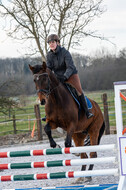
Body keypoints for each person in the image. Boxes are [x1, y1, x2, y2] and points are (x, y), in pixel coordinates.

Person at [43, 34, 93, 121]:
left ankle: (87, 112)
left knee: (78, 91)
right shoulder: (49, 55)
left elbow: (70, 67)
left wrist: (65, 76)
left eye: (53, 42)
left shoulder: (65, 53)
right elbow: (49, 68)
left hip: (71, 75)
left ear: (57, 43)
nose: (51, 44)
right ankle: (48, 114)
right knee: (50, 90)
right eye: (49, 43)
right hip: (58, 77)